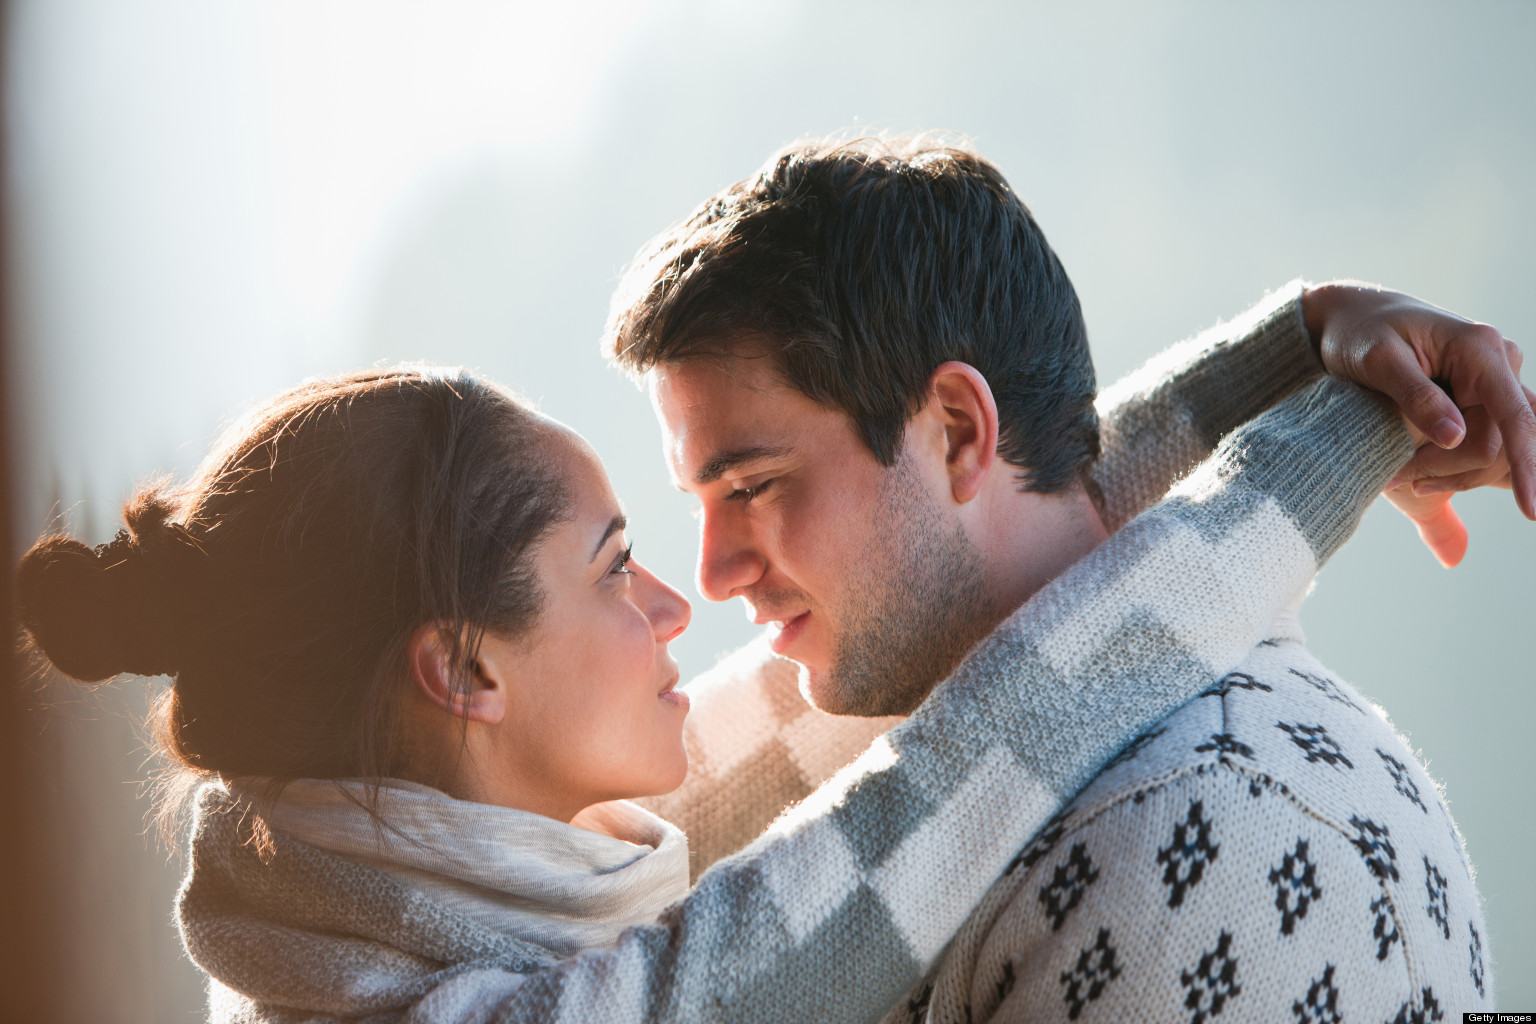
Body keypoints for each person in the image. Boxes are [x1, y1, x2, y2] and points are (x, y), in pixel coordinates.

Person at [14, 350, 1428, 1021]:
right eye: (616, 568)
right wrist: (1363, 421)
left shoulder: (399, 911)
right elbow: (972, 763)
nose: (677, 607)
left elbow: (957, 622)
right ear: (462, 667)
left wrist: (1297, 347)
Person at [605, 138, 1531, 1019]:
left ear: (961, 433)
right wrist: (1297, 346)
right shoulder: (916, 759)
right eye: (702, 503)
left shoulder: (1197, 835)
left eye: (755, 486)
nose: (713, 575)